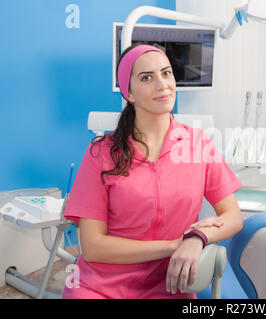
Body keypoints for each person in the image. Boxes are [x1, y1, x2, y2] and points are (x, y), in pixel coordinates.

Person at [62, 44, 243, 299]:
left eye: (166, 73)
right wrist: (173, 246)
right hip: (100, 287)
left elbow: (233, 216)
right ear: (130, 93)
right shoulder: (101, 153)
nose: (162, 85)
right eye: (146, 78)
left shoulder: (198, 145)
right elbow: (92, 247)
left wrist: (197, 237)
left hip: (170, 285)